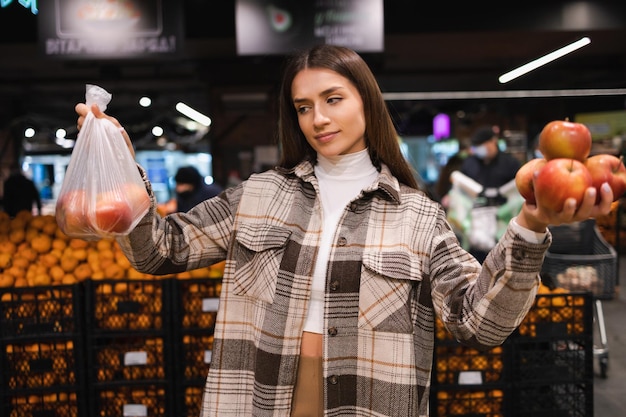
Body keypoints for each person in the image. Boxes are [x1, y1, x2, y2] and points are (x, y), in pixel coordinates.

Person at [74, 44, 613, 417]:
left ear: (365, 101)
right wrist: (119, 163)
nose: (318, 119)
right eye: (304, 107)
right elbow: (161, 251)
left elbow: (477, 324)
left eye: (333, 99)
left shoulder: (418, 216)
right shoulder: (261, 194)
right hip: (257, 397)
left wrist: (532, 224)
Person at [458, 125, 522, 262]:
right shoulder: (469, 164)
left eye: (483, 144)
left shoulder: (510, 163)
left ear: (493, 141)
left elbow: (520, 189)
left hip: (504, 220)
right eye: (478, 146)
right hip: (476, 221)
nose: (480, 148)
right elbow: (459, 188)